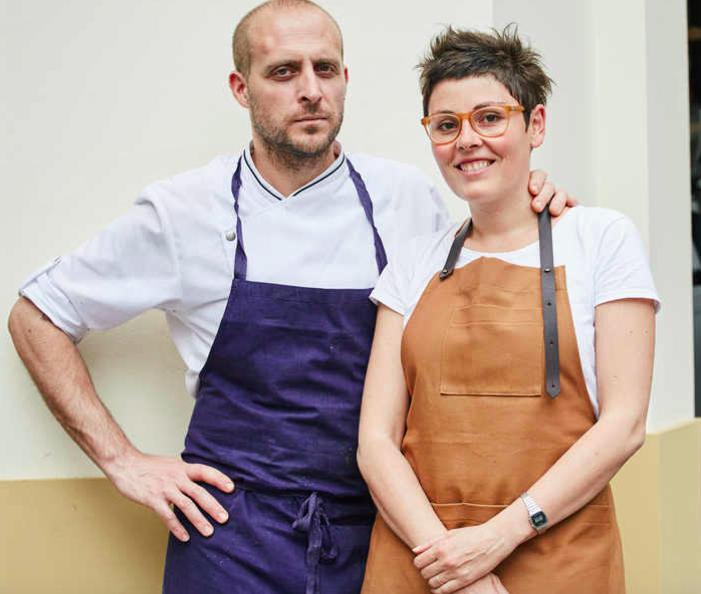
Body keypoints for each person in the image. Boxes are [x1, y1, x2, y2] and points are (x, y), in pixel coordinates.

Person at [6, 3, 572, 593]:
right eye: (283, 72)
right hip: (228, 542)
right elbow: (37, 315)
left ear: (346, 81)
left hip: (377, 533)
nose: (310, 91)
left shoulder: (406, 200)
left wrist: (534, 198)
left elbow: (484, 276)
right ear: (240, 87)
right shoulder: (185, 211)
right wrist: (124, 462)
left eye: (325, 69)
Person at [356, 26, 659, 594]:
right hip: (424, 560)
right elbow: (375, 441)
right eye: (446, 125)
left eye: (489, 117)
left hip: (559, 554)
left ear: (535, 125)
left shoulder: (602, 240)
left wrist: (497, 538)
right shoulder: (410, 266)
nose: (467, 139)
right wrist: (452, 566)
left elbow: (624, 425)